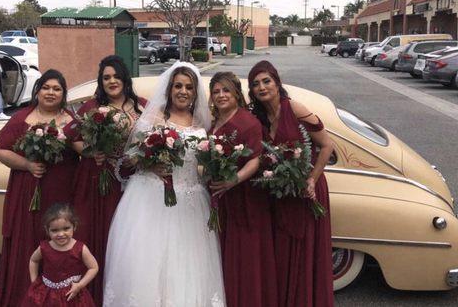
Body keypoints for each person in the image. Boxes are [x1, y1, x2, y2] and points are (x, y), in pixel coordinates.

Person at [102, 62, 225, 307]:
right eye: (178, 85)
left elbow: (201, 163)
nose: (183, 91)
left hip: (191, 201)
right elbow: (132, 156)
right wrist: (149, 164)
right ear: (169, 89)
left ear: (195, 92)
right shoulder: (157, 116)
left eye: (189, 87)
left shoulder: (202, 123)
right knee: (150, 262)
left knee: (187, 263)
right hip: (152, 198)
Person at [0, 69, 79, 307]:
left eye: (56, 89)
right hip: (29, 191)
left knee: (59, 239)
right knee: (30, 239)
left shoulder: (71, 120)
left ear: (63, 94)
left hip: (61, 191)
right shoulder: (21, 118)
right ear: (37, 91)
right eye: (46, 87)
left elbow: (82, 149)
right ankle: (29, 293)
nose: (50, 93)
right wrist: (27, 164)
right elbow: (0, 151)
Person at [248, 60, 335, 307]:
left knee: (304, 252)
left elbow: (327, 145)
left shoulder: (294, 108)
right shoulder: (260, 117)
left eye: (266, 81)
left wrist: (311, 179)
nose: (262, 87)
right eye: (256, 84)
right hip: (281, 192)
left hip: (307, 189)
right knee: (283, 252)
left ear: (277, 83)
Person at [64, 56, 146, 305]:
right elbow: (71, 136)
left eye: (116, 76)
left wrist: (142, 157)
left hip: (134, 184)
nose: (112, 81)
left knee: (128, 241)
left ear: (125, 78)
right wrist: (90, 152)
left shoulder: (142, 106)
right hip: (99, 182)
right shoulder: (92, 107)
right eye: (106, 77)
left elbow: (155, 137)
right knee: (99, 234)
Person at [208, 72, 278, 307]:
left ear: (236, 93)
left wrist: (233, 180)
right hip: (220, 197)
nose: (221, 95)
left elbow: (256, 159)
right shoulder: (214, 121)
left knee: (243, 255)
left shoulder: (248, 121)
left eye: (226, 90)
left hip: (244, 196)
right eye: (216, 91)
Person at [22, 203, 98, 307]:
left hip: (71, 294)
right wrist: (34, 281)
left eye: (66, 228)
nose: (61, 234)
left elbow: (93, 267)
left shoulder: (80, 248)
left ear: (74, 226)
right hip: (46, 295)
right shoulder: (44, 247)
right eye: (55, 230)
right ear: (47, 230)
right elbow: (33, 260)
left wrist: (80, 285)